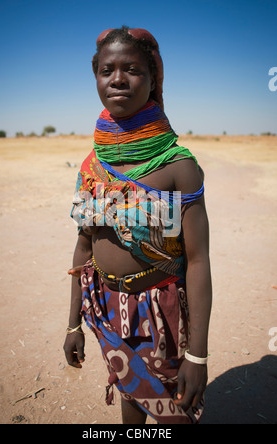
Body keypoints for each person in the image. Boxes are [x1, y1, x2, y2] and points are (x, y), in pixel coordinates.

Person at [63, 26, 212, 424]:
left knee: (174, 407)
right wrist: (73, 323)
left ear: (153, 79)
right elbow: (83, 248)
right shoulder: (92, 165)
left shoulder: (177, 166)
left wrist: (198, 354)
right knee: (131, 393)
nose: (117, 79)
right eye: (106, 69)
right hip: (109, 308)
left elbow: (198, 262)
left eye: (132, 69)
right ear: (96, 77)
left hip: (161, 310)